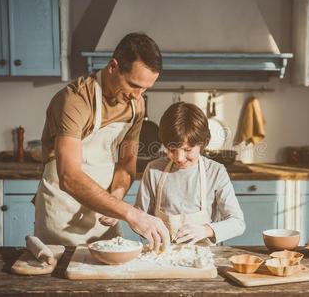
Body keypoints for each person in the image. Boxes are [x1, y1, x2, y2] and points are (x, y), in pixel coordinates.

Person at [34, 32, 170, 250]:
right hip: (62, 213)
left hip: (104, 213)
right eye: (134, 85)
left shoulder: (136, 107)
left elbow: (127, 162)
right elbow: (68, 177)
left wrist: (117, 195)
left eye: (145, 88)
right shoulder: (75, 100)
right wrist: (129, 212)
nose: (138, 95)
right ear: (113, 66)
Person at [135, 102, 246, 245]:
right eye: (172, 149)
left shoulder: (215, 172)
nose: (179, 158)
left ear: (203, 143)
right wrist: (125, 216)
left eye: (187, 150)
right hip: (162, 256)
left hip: (204, 258)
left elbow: (238, 223)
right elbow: (139, 216)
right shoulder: (153, 170)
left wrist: (206, 230)